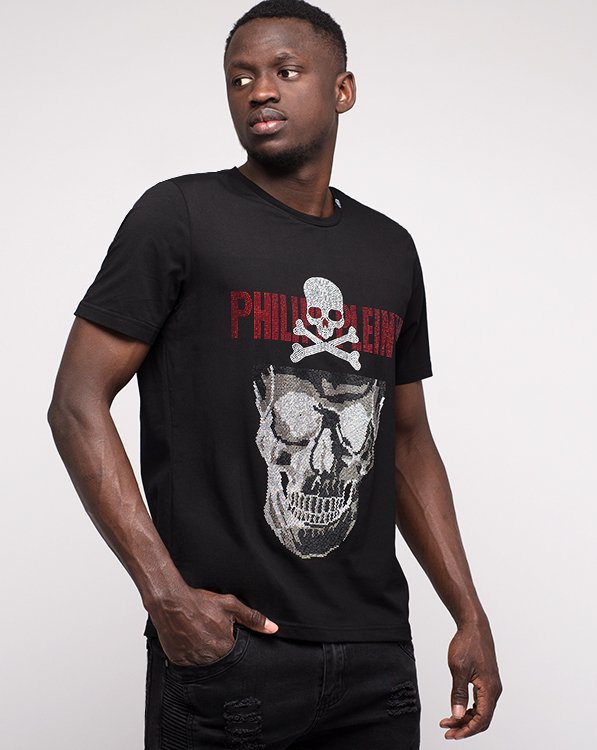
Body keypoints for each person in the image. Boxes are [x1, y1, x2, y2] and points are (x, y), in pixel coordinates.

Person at [47, 1, 502, 746]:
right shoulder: (180, 216)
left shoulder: (390, 250)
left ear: (342, 90)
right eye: (241, 77)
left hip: (376, 661)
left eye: (286, 71)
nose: (260, 90)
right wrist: (166, 597)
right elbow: (75, 403)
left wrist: (468, 612)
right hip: (230, 655)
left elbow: (406, 441)